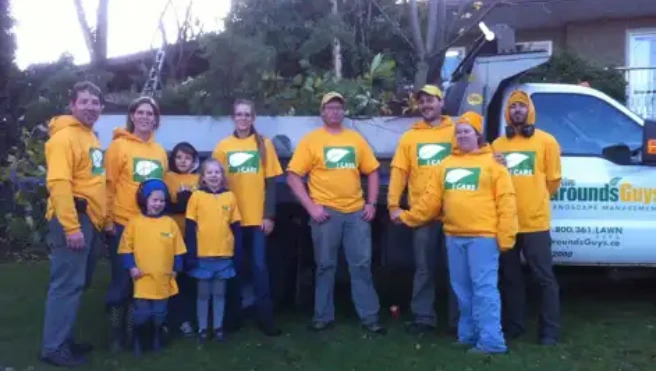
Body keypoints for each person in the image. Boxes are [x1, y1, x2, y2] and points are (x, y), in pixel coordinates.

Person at [392, 111, 518, 354]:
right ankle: (468, 335)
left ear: (478, 135)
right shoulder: (446, 164)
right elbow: (430, 202)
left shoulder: (494, 164)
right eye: (458, 132)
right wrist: (407, 217)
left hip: (483, 237)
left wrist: (506, 236)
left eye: (466, 131)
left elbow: (507, 202)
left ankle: (492, 341)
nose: (461, 135)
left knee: (484, 290)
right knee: (461, 289)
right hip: (454, 236)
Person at [287, 92, 385, 334]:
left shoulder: (355, 139)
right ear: (322, 112)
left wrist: (371, 203)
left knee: (361, 265)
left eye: (338, 108)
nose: (334, 112)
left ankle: (370, 317)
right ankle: (323, 316)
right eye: (329, 107)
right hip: (325, 214)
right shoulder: (311, 140)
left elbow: (372, 171)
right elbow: (292, 176)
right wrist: (311, 207)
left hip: (355, 213)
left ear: (343, 112)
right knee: (325, 266)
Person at [40, 81, 107, 367]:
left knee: (77, 283)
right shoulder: (63, 138)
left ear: (101, 108)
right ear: (72, 105)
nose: (90, 106)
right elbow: (59, 183)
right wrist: (71, 227)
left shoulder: (91, 137)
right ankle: (53, 347)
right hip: (73, 219)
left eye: (95, 102)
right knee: (67, 284)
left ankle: (63, 338)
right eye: (85, 101)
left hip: (89, 220)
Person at [388, 84, 459, 334]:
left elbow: (475, 157)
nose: (427, 105)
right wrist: (393, 204)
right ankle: (423, 317)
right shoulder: (410, 137)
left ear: (441, 103)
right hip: (421, 214)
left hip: (455, 213)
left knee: (457, 269)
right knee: (424, 268)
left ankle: (458, 321)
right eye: (423, 101)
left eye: (431, 100)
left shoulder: (456, 132)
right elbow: (399, 172)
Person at [492, 90, 562, 346]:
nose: (517, 110)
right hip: (507, 223)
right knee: (510, 278)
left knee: (544, 278)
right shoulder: (497, 146)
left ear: (530, 110)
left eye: (522, 106)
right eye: (513, 107)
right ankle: (515, 326)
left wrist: (534, 199)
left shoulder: (547, 142)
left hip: (535, 222)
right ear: (507, 113)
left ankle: (550, 332)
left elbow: (553, 181)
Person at [212, 99, 283, 336]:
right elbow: (215, 183)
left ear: (253, 118)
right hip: (231, 221)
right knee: (235, 269)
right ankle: (234, 316)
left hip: (257, 221)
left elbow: (271, 182)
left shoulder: (264, 144)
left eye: (247, 115)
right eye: (239, 114)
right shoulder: (223, 146)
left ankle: (265, 318)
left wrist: (269, 215)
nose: (243, 118)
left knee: (260, 268)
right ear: (233, 118)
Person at [104, 96, 168, 352]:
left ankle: (135, 333)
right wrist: (107, 219)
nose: (145, 117)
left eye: (150, 113)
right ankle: (115, 335)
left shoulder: (160, 152)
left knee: (141, 282)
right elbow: (108, 185)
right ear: (132, 116)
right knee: (121, 280)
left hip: (149, 228)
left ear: (156, 119)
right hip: (122, 224)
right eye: (140, 112)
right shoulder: (118, 147)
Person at [118, 178, 186, 356]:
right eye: (154, 200)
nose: (158, 204)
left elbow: (178, 249)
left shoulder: (170, 224)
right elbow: (126, 249)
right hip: (142, 279)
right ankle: (138, 341)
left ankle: (156, 337)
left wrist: (176, 269)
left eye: (162, 200)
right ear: (145, 200)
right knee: (142, 313)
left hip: (163, 278)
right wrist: (131, 267)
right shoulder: (134, 224)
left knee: (159, 313)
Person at [184, 159, 243, 343]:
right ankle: (202, 328)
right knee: (203, 294)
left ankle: (218, 327)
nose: (214, 176)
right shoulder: (196, 197)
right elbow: (190, 227)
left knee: (219, 293)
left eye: (217, 172)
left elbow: (236, 227)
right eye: (209, 173)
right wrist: (191, 253)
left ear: (222, 176)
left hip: (223, 254)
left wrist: (238, 252)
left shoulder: (230, 197)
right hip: (203, 255)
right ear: (203, 177)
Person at [164, 142, 200, 337]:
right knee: (172, 277)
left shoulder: (199, 178)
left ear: (193, 160)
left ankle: (188, 319)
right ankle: (169, 319)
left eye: (187, 157)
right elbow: (165, 204)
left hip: (193, 236)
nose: (183, 161)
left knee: (189, 278)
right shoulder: (168, 177)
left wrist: (188, 201)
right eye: (179, 157)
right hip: (172, 236)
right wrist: (182, 202)